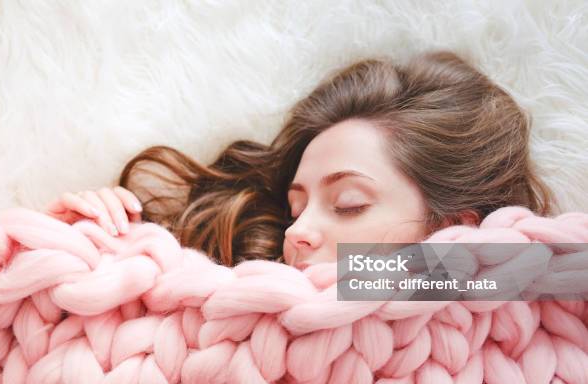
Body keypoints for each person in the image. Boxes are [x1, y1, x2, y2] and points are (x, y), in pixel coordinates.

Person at [46, 50, 554, 268]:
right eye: (295, 208)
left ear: (453, 227)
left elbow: (551, 272)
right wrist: (72, 247)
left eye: (349, 203)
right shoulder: (236, 307)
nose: (296, 232)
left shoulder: (538, 305)